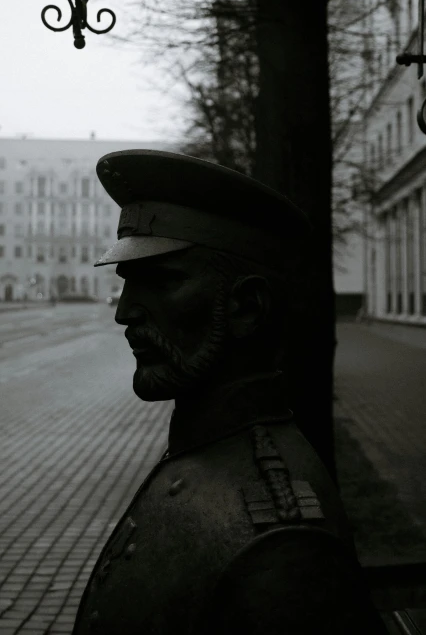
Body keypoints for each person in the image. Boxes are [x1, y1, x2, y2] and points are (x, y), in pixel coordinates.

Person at [72, 149, 388, 634]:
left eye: (160, 283)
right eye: (128, 286)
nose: (126, 313)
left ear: (245, 307)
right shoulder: (213, 449)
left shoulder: (282, 541)